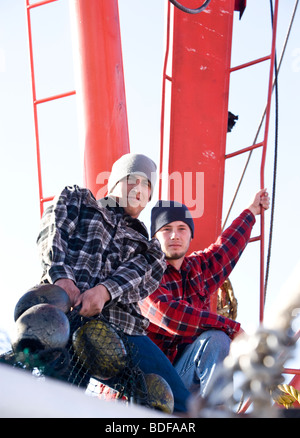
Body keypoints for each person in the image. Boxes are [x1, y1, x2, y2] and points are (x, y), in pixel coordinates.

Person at [37, 152, 191, 413]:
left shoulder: (150, 249)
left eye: (148, 186)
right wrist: (62, 278)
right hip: (64, 317)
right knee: (55, 402)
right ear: (114, 182)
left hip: (122, 333)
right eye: (134, 179)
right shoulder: (77, 201)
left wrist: (103, 292)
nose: (140, 189)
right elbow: (54, 232)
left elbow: (137, 277)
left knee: (181, 402)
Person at [139, 189, 270, 402]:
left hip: (182, 379)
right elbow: (169, 314)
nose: (175, 236)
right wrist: (232, 327)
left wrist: (251, 211)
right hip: (150, 387)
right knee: (219, 337)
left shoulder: (197, 269)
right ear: (155, 237)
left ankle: (215, 412)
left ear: (191, 235)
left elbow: (226, 248)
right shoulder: (144, 271)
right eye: (166, 229)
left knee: (217, 341)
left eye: (182, 229)